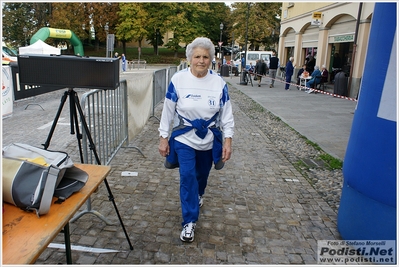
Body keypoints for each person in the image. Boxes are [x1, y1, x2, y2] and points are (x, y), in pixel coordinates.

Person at [158, 37, 235, 243]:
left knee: (202, 175)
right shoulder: (178, 80)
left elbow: (226, 114)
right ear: (190, 58)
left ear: (211, 59)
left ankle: (199, 194)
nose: (201, 60)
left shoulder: (219, 83)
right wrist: (163, 137)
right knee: (188, 176)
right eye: (197, 56)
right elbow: (168, 110)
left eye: (205, 57)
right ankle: (189, 221)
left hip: (208, 138)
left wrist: (228, 140)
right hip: (184, 138)